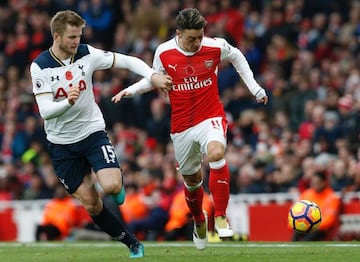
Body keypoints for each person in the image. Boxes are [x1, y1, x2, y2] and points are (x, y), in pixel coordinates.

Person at [112, 8, 268, 250]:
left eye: (200, 36)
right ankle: (198, 220)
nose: (197, 42)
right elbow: (154, 78)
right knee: (192, 181)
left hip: (210, 115)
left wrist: (255, 88)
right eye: (191, 38)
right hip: (182, 125)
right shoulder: (164, 52)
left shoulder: (214, 46)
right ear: (178, 34)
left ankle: (221, 217)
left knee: (216, 153)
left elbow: (237, 56)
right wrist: (130, 90)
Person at [30, 10, 172, 258]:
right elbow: (45, 111)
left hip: (91, 132)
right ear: (57, 36)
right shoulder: (40, 66)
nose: (77, 41)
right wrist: (68, 103)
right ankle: (132, 243)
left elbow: (127, 61)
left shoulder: (87, 54)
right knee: (92, 203)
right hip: (61, 144)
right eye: (72, 37)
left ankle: (116, 186)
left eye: (79, 36)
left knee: (112, 185)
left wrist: (152, 75)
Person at [292, 171, 342, 241]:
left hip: (322, 229)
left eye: (316, 183)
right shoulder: (307, 194)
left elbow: (329, 219)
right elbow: (296, 211)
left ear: (323, 183)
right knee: (297, 230)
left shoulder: (332, 197)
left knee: (310, 236)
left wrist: (313, 224)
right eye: (312, 182)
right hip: (307, 225)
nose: (313, 185)